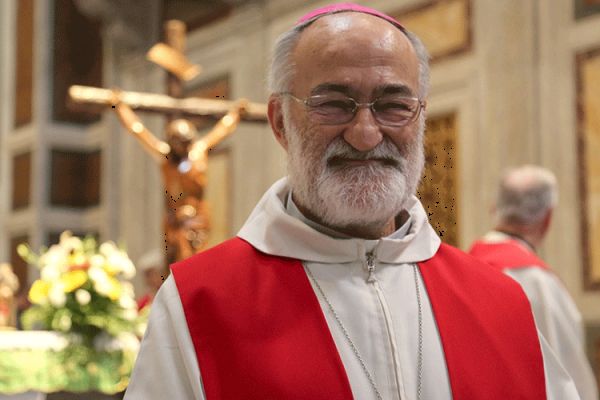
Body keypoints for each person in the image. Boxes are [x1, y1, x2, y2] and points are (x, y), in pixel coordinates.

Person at [124, 4, 581, 399]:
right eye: (334, 104)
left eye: (393, 105)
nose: (365, 134)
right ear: (281, 122)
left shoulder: (502, 303)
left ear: (419, 117)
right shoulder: (199, 304)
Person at [469, 165, 598, 400]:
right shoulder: (537, 282)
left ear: (495, 208)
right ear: (547, 218)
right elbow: (568, 377)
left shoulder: (464, 268)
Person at [111, 94, 247, 263]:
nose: (184, 147)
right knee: (177, 260)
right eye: (180, 143)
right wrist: (121, 108)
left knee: (200, 258)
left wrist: (235, 114)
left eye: (186, 142)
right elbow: (138, 130)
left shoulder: (198, 151)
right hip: (175, 217)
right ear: (172, 143)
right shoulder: (165, 157)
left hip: (198, 215)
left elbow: (221, 131)